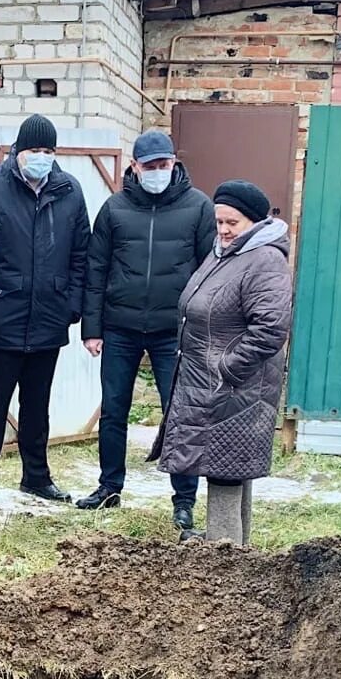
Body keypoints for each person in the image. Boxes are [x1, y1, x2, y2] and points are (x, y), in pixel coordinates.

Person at [78, 130, 215, 538]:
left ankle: (184, 499)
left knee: (181, 412)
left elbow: (210, 271)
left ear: (174, 163)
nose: (158, 172)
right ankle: (109, 486)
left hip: (174, 331)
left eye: (164, 164)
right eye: (150, 166)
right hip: (120, 327)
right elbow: (95, 270)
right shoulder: (114, 210)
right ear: (134, 167)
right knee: (114, 409)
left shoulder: (198, 207)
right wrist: (92, 327)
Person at [153, 180, 293, 547]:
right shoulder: (225, 253)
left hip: (237, 386)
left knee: (225, 471)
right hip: (213, 382)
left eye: (233, 222)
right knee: (227, 469)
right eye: (219, 222)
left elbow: (271, 329)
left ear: (255, 222)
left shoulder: (264, 260)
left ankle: (223, 556)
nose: (224, 230)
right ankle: (233, 546)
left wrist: (228, 368)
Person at [0, 115, 90, 517]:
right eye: (34, 150)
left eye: (49, 151)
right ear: (17, 151)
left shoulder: (69, 191)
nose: (41, 158)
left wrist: (71, 305)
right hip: (3, 318)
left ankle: (36, 476)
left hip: (49, 318)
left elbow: (80, 254)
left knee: (38, 405)